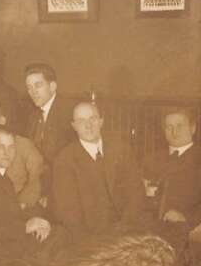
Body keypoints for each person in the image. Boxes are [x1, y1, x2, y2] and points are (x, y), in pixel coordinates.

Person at [51, 102, 145, 243]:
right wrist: (92, 244)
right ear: (74, 126)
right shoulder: (64, 160)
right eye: (81, 121)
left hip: (127, 233)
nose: (88, 125)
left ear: (101, 121)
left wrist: (126, 230)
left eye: (93, 119)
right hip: (90, 240)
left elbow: (136, 192)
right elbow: (69, 213)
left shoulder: (121, 149)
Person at [0, 126, 59, 266]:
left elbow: (13, 213)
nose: (7, 153)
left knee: (57, 235)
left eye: (11, 147)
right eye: (0, 147)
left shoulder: (4, 178)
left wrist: (38, 222)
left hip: (5, 241)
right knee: (56, 242)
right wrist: (25, 227)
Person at [143, 110, 201, 266]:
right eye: (169, 127)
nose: (174, 131)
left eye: (180, 126)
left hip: (191, 221)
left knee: (171, 235)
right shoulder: (152, 159)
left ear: (193, 128)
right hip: (153, 219)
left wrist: (187, 217)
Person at [25, 63, 76, 200]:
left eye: (38, 85)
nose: (33, 92)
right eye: (29, 88)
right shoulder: (33, 115)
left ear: (52, 86)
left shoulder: (69, 112)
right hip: (43, 185)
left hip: (65, 187)